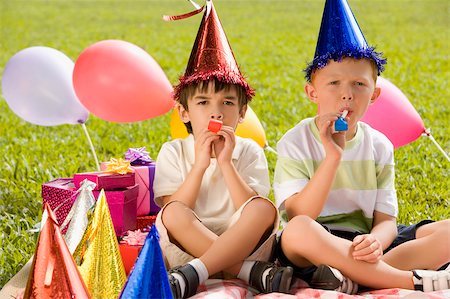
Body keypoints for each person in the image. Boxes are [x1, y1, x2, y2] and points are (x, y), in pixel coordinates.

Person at [273, 0, 450, 294]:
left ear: (375, 94)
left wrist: (375, 243)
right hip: (318, 246)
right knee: (297, 231)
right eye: (334, 83)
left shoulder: (379, 145)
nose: (347, 95)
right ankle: (407, 280)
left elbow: (387, 222)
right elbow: (299, 214)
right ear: (312, 92)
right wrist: (333, 156)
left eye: (359, 84)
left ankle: (361, 276)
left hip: (366, 242)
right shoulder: (295, 141)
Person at [154, 1, 293, 298]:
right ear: (184, 112)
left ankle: (199, 273)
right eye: (203, 103)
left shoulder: (249, 151)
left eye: (227, 103)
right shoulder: (174, 151)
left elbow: (250, 209)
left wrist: (227, 164)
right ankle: (245, 273)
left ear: (242, 113)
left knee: (261, 208)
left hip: (243, 243)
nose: (215, 113)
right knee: (173, 212)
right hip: (187, 249)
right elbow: (174, 208)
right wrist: (201, 165)